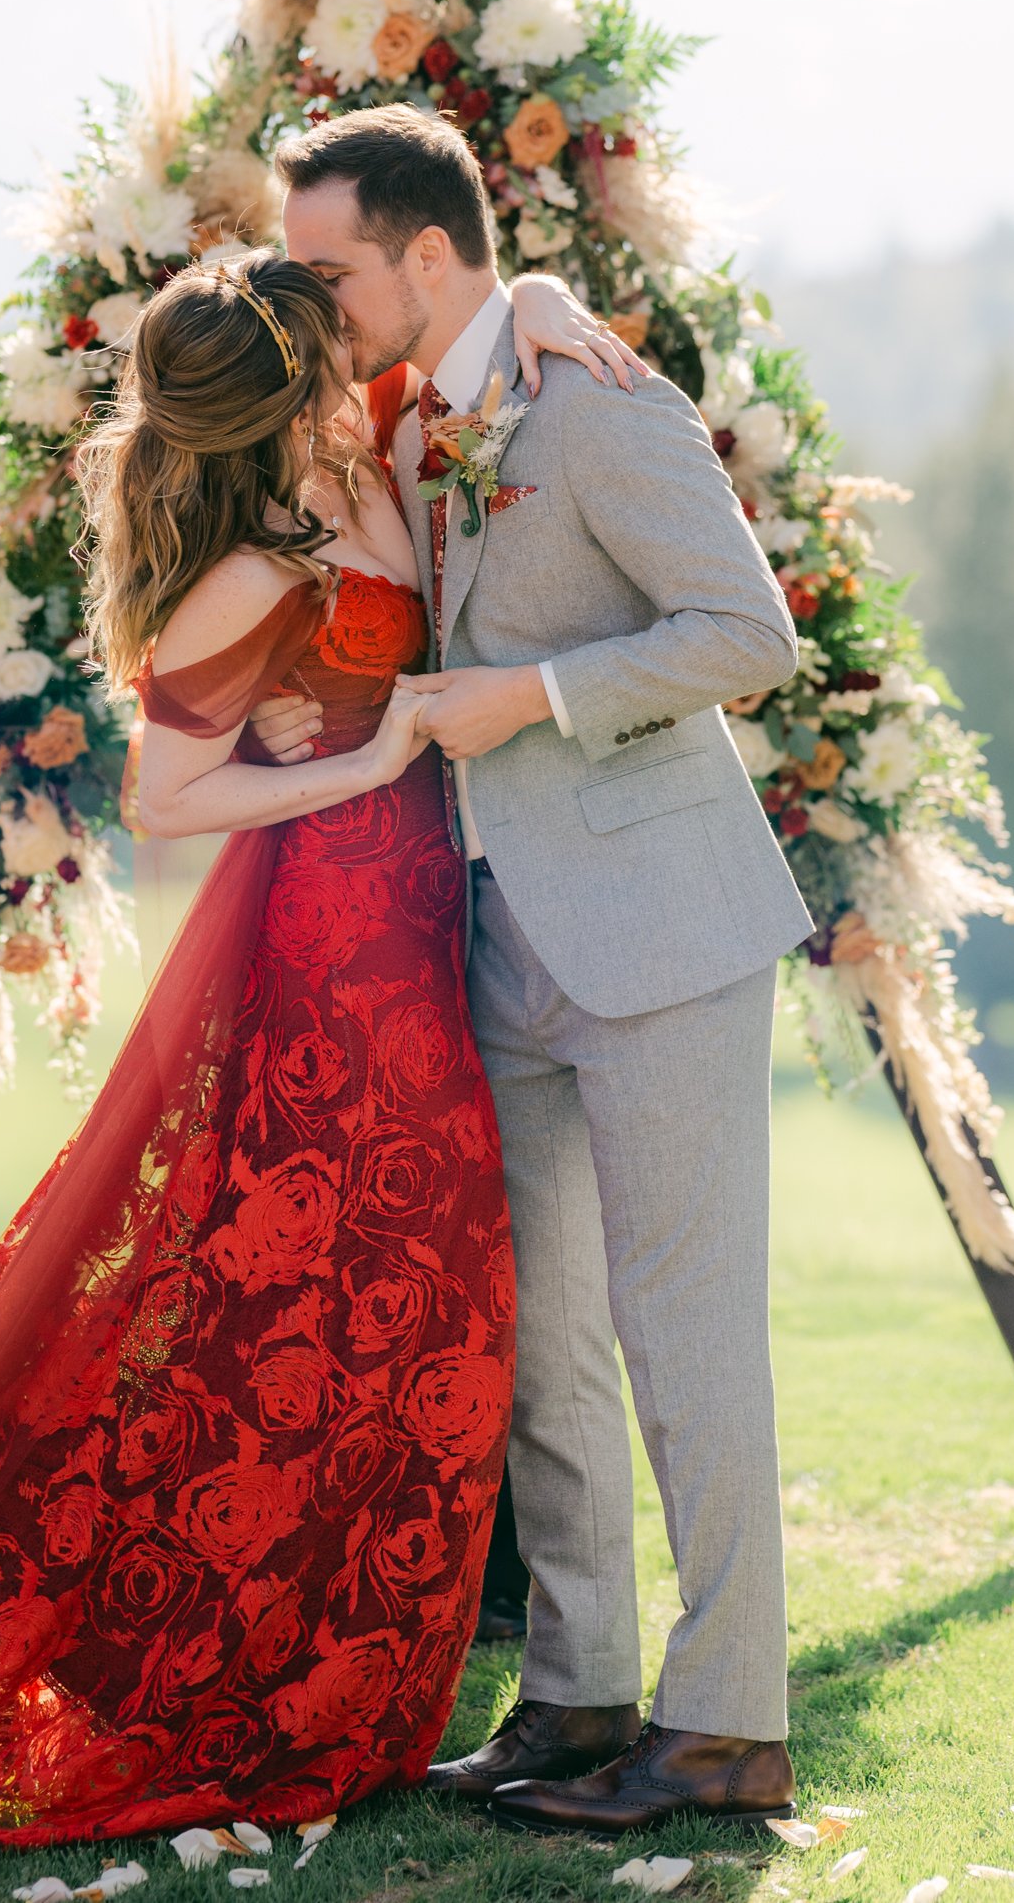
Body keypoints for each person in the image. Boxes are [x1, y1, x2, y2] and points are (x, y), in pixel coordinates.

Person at [0, 255, 614, 1851]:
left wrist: (555, 302)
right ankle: (272, 1668)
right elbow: (167, 797)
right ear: (292, 377)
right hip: (334, 959)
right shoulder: (242, 572)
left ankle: (346, 1656)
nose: (355, 336)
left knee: (424, 1294)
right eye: (327, 330)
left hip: (427, 926)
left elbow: (494, 314)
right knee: (360, 1293)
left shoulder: (366, 441)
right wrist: (364, 753)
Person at [256, 105, 815, 1835]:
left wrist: (538, 696)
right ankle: (576, 1697)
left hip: (662, 934)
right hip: (502, 938)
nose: (310, 298)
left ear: (431, 250)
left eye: (328, 268)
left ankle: (726, 1721)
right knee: (546, 1338)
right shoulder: (424, 425)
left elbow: (750, 635)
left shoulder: (603, 404)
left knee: (684, 1330)